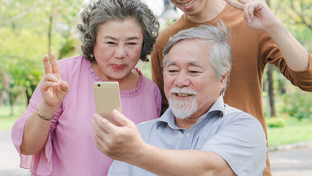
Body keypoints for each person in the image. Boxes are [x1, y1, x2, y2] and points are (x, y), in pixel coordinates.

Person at [146, 0, 312, 175]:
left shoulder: (252, 23)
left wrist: (275, 28)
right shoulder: (165, 41)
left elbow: (311, 81)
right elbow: (164, 113)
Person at [11, 0, 162, 176]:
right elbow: (28, 147)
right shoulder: (63, 76)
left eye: (131, 43)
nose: (121, 53)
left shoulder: (150, 91)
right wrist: (48, 107)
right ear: (93, 40)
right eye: (110, 42)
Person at [93, 24, 267, 176]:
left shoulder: (244, 126)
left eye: (193, 71)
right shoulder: (141, 134)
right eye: (173, 70)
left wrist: (136, 152)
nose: (180, 81)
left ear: (222, 77)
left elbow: (211, 170)